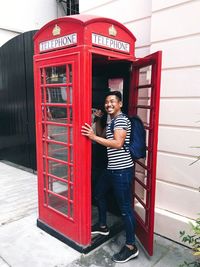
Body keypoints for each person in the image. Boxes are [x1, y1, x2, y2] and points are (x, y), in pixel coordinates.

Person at [81, 91, 139, 263]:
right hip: (111, 168)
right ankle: (103, 226)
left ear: (120, 103)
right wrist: (98, 120)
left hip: (122, 170)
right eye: (106, 102)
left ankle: (131, 247)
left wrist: (92, 137)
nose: (109, 105)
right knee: (98, 193)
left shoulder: (121, 119)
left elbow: (117, 143)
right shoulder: (112, 120)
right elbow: (103, 135)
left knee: (125, 209)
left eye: (112, 101)